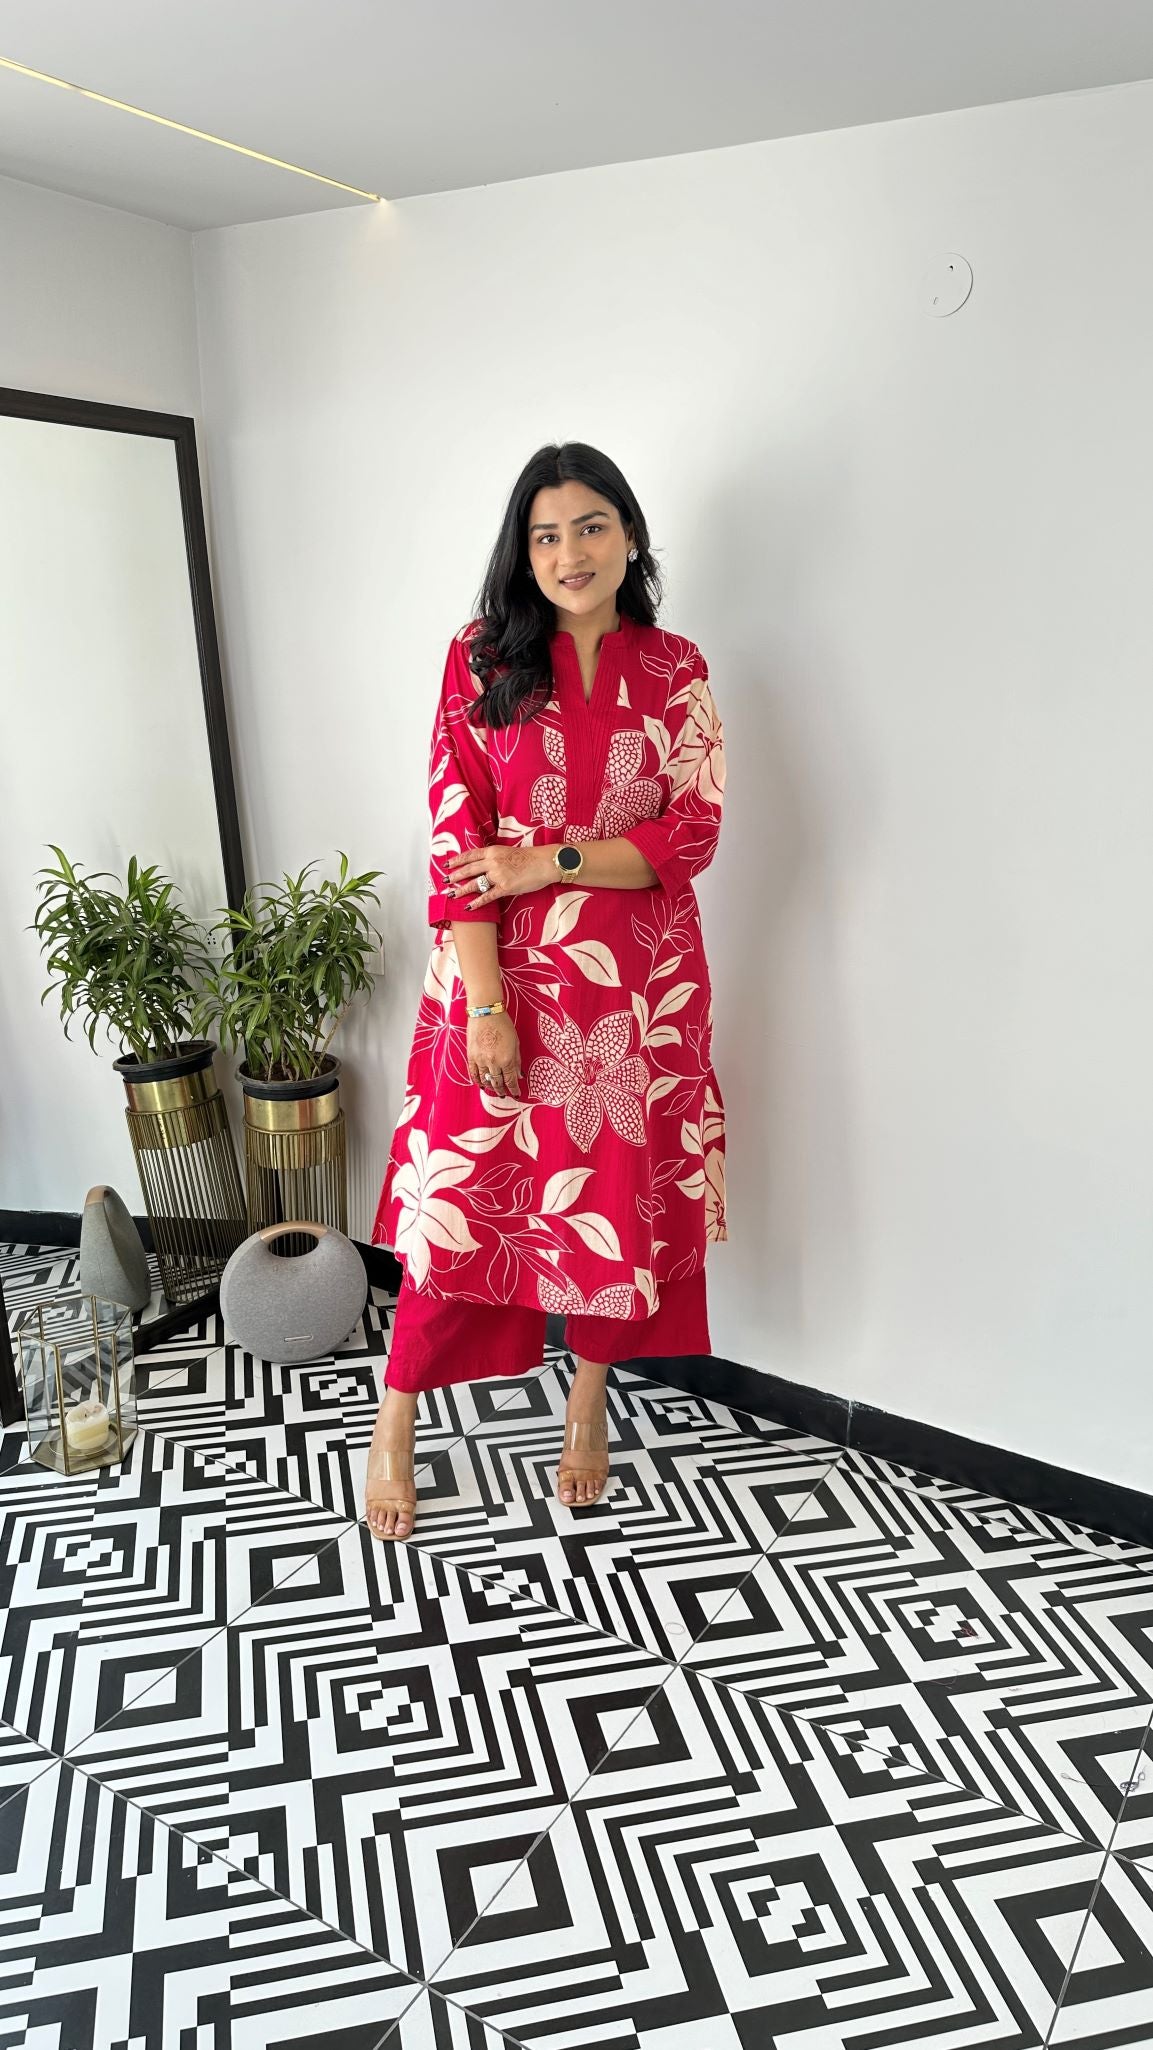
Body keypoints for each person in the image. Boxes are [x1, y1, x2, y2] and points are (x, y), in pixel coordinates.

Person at [366, 442, 726, 1539]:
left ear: (630, 534)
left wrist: (548, 861)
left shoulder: (675, 667)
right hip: (502, 982)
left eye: (591, 526)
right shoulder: (479, 658)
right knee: (461, 1202)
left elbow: (692, 833)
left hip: (638, 994)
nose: (571, 553)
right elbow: (455, 837)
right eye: (546, 535)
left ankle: (586, 1405)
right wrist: (484, 1005)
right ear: (522, 553)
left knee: (611, 1205)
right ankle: (394, 1423)